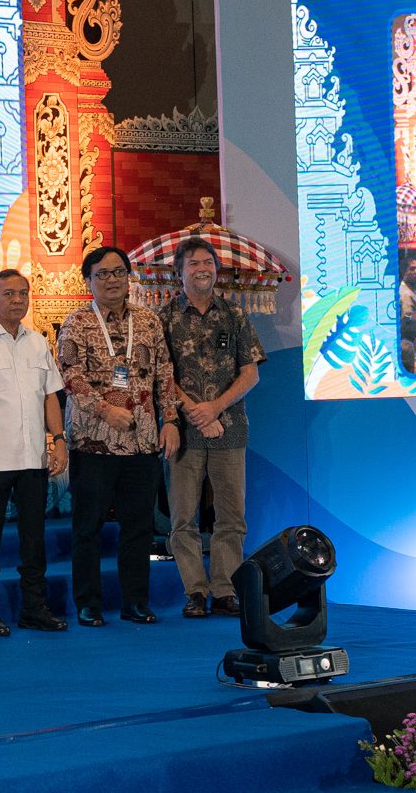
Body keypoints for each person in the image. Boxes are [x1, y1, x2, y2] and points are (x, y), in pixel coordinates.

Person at [56, 246, 180, 628]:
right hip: (92, 442)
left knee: (138, 528)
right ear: (88, 281)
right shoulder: (76, 322)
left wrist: (170, 420)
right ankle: (88, 604)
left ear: (128, 277)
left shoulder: (149, 321)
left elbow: (164, 373)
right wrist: (105, 410)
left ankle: (135, 602)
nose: (112, 280)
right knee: (87, 528)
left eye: (118, 272)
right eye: (102, 273)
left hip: (141, 442)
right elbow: (70, 375)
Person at [159, 237, 264, 620]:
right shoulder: (164, 318)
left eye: (208, 263)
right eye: (193, 263)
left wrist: (215, 408)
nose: (202, 269)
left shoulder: (234, 315)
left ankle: (224, 589)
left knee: (231, 517)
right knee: (182, 519)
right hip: (183, 432)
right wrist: (196, 413)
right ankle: (195, 592)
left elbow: (250, 374)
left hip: (230, 429)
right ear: (179, 272)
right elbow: (161, 375)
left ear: (216, 270)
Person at [0, 269, 70, 634]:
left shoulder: (38, 342)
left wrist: (58, 440)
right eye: (8, 294)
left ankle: (35, 608)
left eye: (22, 294)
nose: (17, 300)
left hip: (33, 458)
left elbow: (50, 396)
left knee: (34, 540)